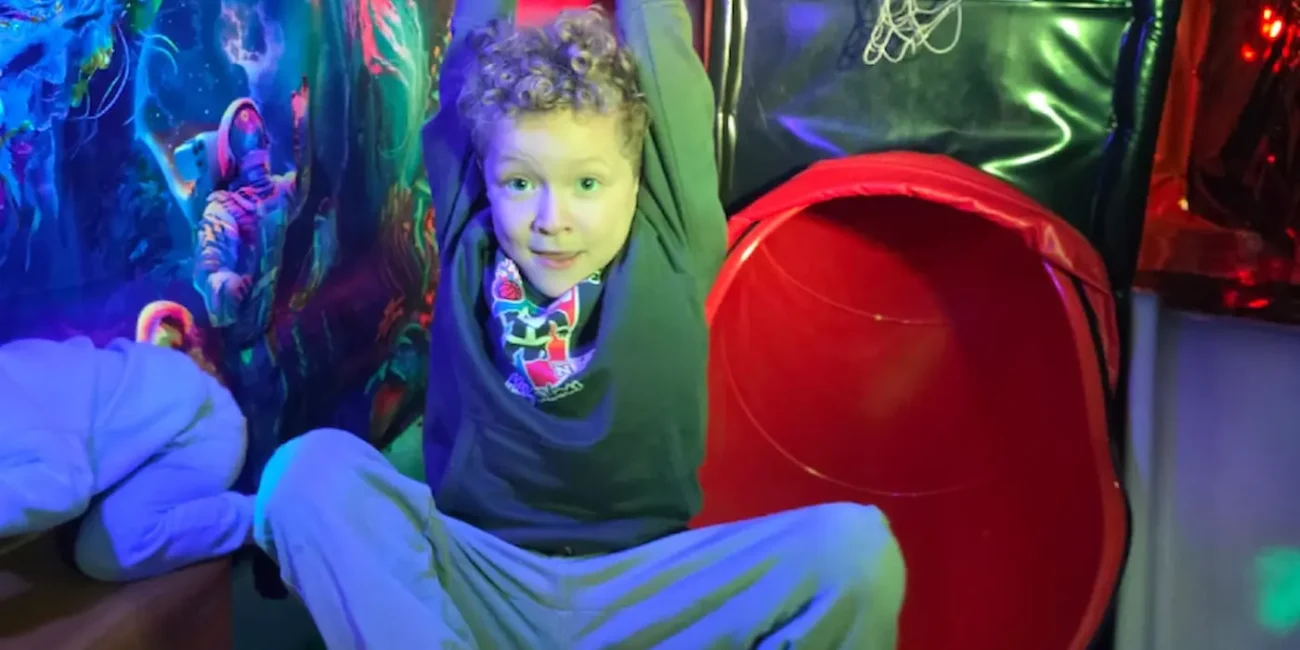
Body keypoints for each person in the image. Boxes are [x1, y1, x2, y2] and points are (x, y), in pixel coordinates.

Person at [253, 2, 906, 648]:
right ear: (486, 175)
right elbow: (472, 48)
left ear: (635, 179)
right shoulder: (469, 237)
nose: (551, 218)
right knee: (304, 473)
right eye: (518, 183)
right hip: (479, 580)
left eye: (587, 184)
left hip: (643, 593)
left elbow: (661, 41)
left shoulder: (672, 241)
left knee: (855, 552)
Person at [0, 335, 253, 582]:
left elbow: (61, 488)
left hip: (198, 431)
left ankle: (259, 514)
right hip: (159, 428)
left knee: (109, 551)